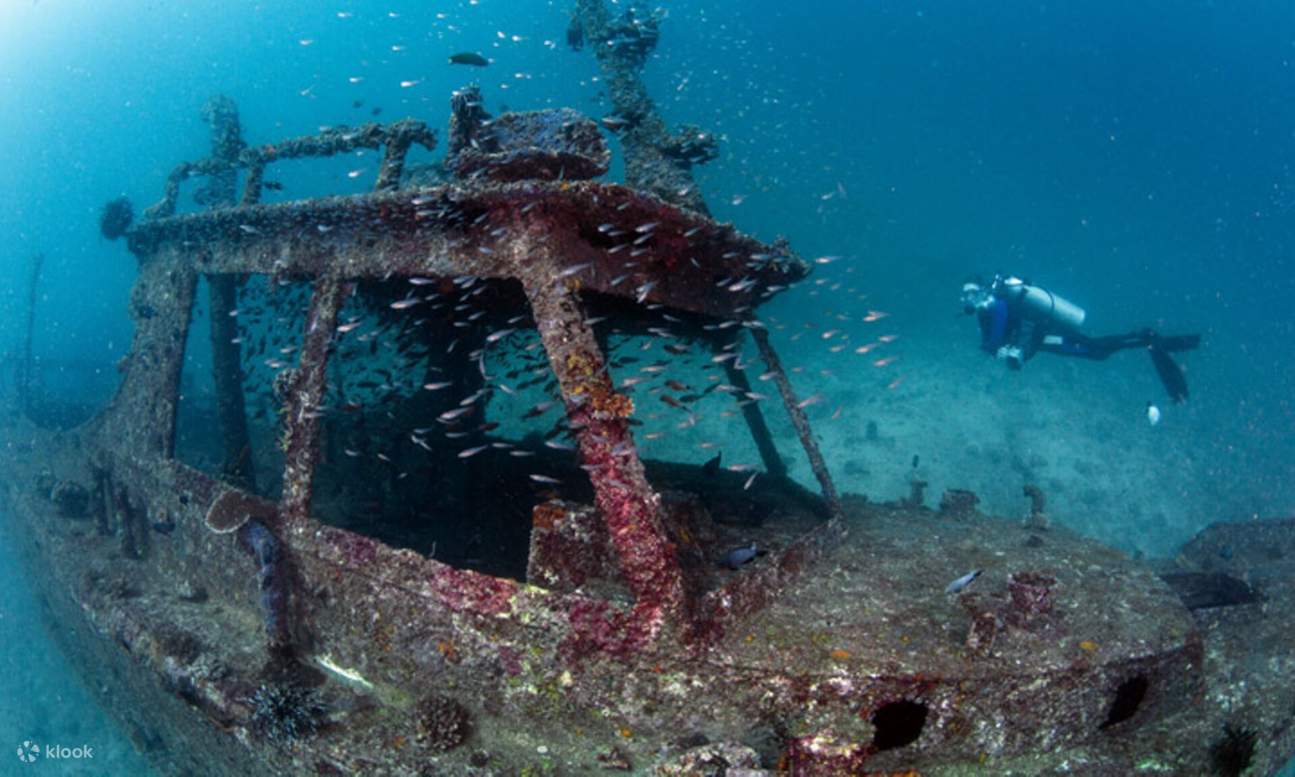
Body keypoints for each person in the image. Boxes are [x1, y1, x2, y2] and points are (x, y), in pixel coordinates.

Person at [961, 274, 1201, 402]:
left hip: (1048, 334)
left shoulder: (997, 305)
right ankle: (1141, 338)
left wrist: (999, 349)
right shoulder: (988, 310)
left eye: (971, 293)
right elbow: (996, 337)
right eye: (965, 295)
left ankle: (1143, 338)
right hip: (1043, 337)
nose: (968, 299)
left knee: (1096, 350)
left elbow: (1008, 331)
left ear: (982, 290)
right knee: (1095, 350)